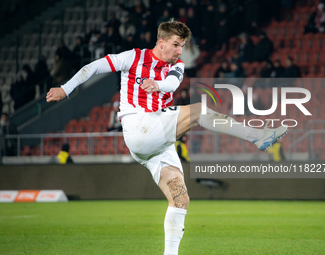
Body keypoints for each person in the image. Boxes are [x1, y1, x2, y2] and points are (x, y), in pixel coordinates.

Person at [46, 19, 288, 255]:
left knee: (180, 199)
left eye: (182, 45)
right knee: (201, 111)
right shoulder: (133, 57)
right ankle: (258, 137)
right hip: (140, 126)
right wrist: (65, 89)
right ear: (161, 42)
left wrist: (158, 86)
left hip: (156, 143)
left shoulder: (177, 65)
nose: (179, 50)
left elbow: (172, 84)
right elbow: (94, 67)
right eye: (175, 44)